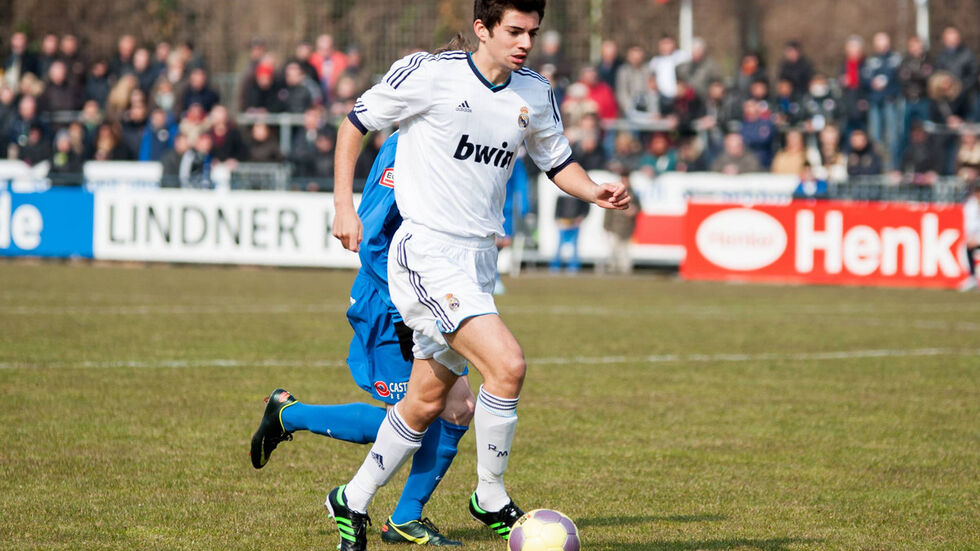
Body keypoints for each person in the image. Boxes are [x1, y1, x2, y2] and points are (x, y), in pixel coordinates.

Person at [329, 2, 630, 550]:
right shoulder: (431, 73)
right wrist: (344, 207)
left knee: (425, 400)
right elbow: (355, 123)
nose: (524, 43)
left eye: (532, 33)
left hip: (476, 261)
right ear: (482, 28)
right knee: (508, 365)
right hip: (426, 254)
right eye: (513, 31)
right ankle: (489, 493)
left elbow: (556, 160)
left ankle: (350, 499)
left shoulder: (534, 92)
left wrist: (596, 190)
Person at [251, 131, 474, 546]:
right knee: (414, 417)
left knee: (457, 407)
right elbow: (372, 239)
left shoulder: (448, 132)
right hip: (392, 303)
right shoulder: (404, 145)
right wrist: (403, 310)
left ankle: (406, 517)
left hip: (430, 300)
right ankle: (289, 416)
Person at [960, 181, 980, 291]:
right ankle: (972, 278)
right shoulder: (970, 205)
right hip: (975, 237)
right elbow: (969, 224)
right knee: (965, 247)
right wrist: (973, 238)